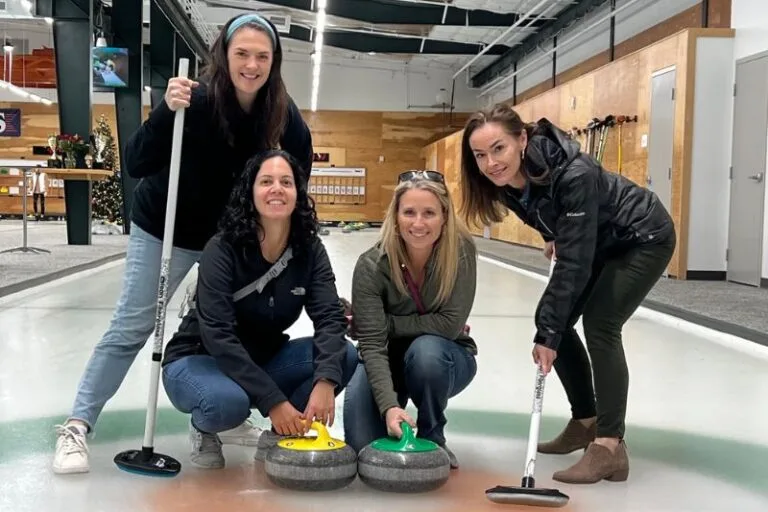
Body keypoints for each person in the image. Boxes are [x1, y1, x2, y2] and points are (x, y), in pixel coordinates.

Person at [52, 12, 313, 474]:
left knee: (232, 327)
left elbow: (296, 180)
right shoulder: (195, 99)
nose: (251, 65)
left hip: (231, 241)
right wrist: (165, 112)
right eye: (242, 54)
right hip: (166, 228)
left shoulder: (284, 117)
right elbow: (133, 162)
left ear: (274, 62)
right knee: (133, 325)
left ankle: (213, 418)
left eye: (262, 56)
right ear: (224, 55)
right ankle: (77, 425)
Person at [460, 103, 676, 484]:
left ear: (522, 139)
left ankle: (610, 447)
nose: (491, 162)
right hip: (600, 241)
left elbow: (574, 265)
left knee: (599, 323)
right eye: (480, 155)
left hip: (641, 236)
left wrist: (549, 334)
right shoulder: (508, 182)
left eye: (499, 148)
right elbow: (547, 212)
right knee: (552, 321)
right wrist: (553, 234)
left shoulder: (574, 173)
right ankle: (586, 421)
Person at [159, 149, 358, 468]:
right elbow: (218, 337)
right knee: (226, 404)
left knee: (343, 357)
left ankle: (280, 434)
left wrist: (325, 381)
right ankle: (204, 428)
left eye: (286, 181)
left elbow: (329, 319)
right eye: (266, 181)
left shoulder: (308, 249)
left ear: (297, 192)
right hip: (200, 358)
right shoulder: (223, 248)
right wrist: (273, 400)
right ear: (250, 193)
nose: (276, 188)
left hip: (260, 358)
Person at [343, 170, 478, 469]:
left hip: (442, 360)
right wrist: (389, 406)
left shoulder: (461, 252)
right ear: (395, 217)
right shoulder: (371, 264)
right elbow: (373, 345)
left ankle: (433, 436)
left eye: (429, 213)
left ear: (444, 216)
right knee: (362, 445)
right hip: (386, 360)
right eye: (409, 212)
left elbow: (449, 325)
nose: (418, 223)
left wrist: (386, 324)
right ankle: (397, 407)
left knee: (427, 351)